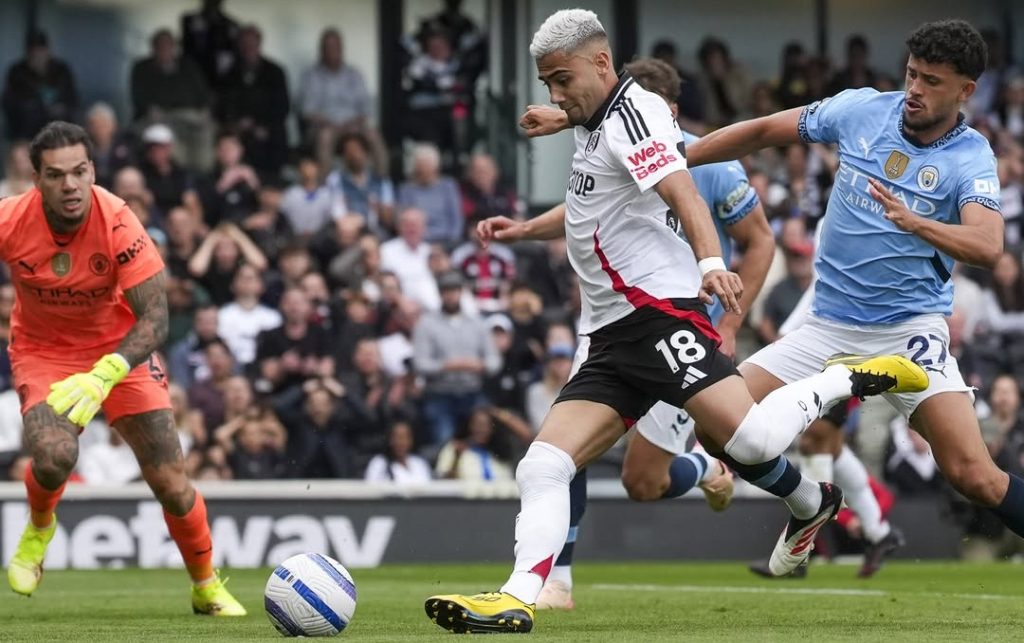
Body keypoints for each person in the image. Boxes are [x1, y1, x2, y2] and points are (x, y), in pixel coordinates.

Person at [424, 11, 925, 634]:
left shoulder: (635, 118)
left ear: (602, 64)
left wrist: (713, 262)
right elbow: (592, 196)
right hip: (612, 337)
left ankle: (849, 378)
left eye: (561, 81)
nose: (554, 94)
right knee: (544, 465)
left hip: (658, 319)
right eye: (547, 84)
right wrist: (560, 127)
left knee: (752, 444)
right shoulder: (597, 118)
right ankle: (518, 596)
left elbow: (681, 187)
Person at [684, 18, 1024, 574]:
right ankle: (809, 503)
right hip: (827, 327)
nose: (915, 88)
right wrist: (678, 162)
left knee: (974, 475)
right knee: (717, 423)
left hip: (909, 332)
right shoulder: (863, 109)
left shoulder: (971, 156)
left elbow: (987, 245)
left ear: (966, 90)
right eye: (913, 74)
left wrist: (916, 222)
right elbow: (766, 129)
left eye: (932, 81)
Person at [517, 56, 777, 609]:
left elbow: (760, 242)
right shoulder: (606, 133)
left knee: (648, 480)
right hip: (611, 324)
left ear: (669, 112)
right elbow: (576, 208)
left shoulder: (707, 163)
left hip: (679, 325)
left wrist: (729, 324)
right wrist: (523, 230)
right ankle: (555, 579)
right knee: (566, 454)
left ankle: (713, 467)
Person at [4, 122, 244, 614]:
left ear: (92, 169)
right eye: (55, 175)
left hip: (121, 351)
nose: (70, 185)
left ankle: (205, 586)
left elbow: (156, 317)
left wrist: (106, 372)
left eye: (79, 171)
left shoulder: (119, 222)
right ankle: (39, 529)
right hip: (44, 351)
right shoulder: (10, 219)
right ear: (37, 179)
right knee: (53, 456)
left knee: (171, 484)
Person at [2, 31, 78, 141]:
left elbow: (73, 101)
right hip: (25, 134)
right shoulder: (17, 73)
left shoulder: (62, 71)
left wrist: (60, 110)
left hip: (58, 134)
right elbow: (10, 105)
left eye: (40, 51)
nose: (37, 56)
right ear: (27, 53)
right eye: (33, 53)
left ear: (48, 51)